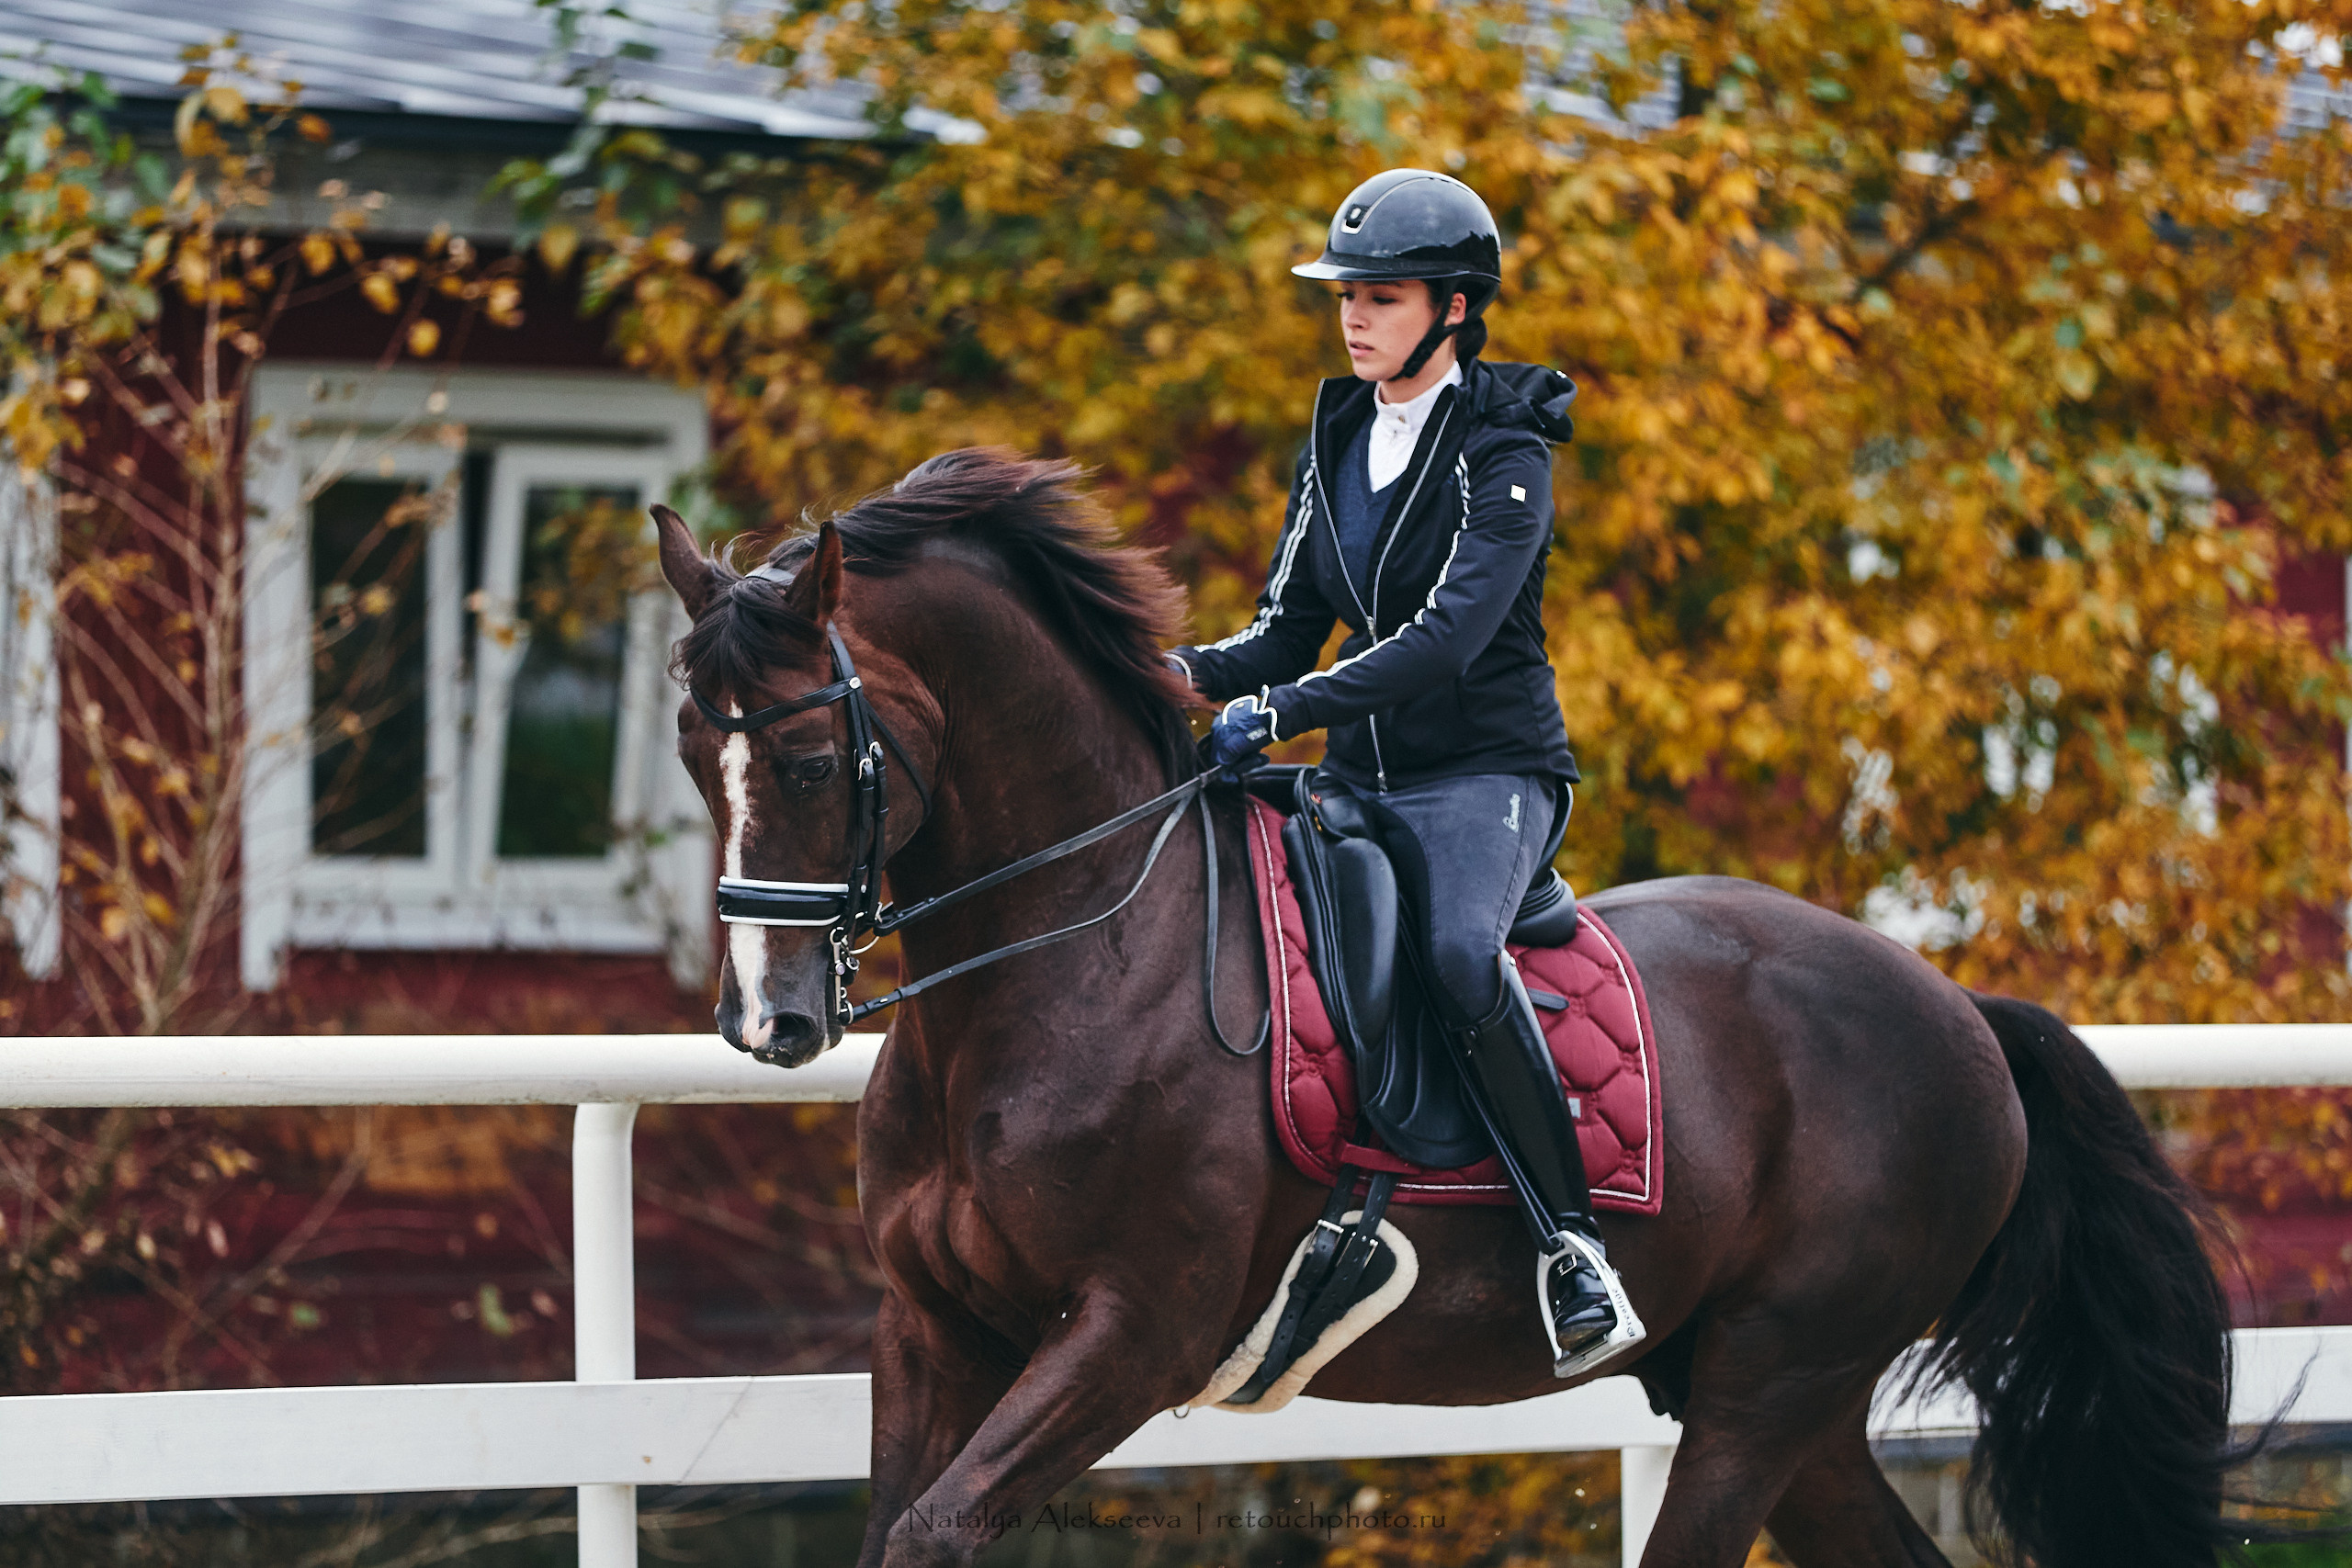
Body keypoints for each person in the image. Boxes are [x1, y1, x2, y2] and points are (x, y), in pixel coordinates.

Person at [1166, 168, 1643, 1379]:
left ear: (1453, 307)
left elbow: (1444, 641)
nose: (1353, 317)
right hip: (1359, 775)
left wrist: (1280, 711)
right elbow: (1284, 631)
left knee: (1448, 954)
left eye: (1379, 296)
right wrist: (1161, 672)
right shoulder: (1335, 434)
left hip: (1488, 773)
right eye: (1346, 296)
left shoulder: (1508, 443)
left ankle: (1570, 1247)